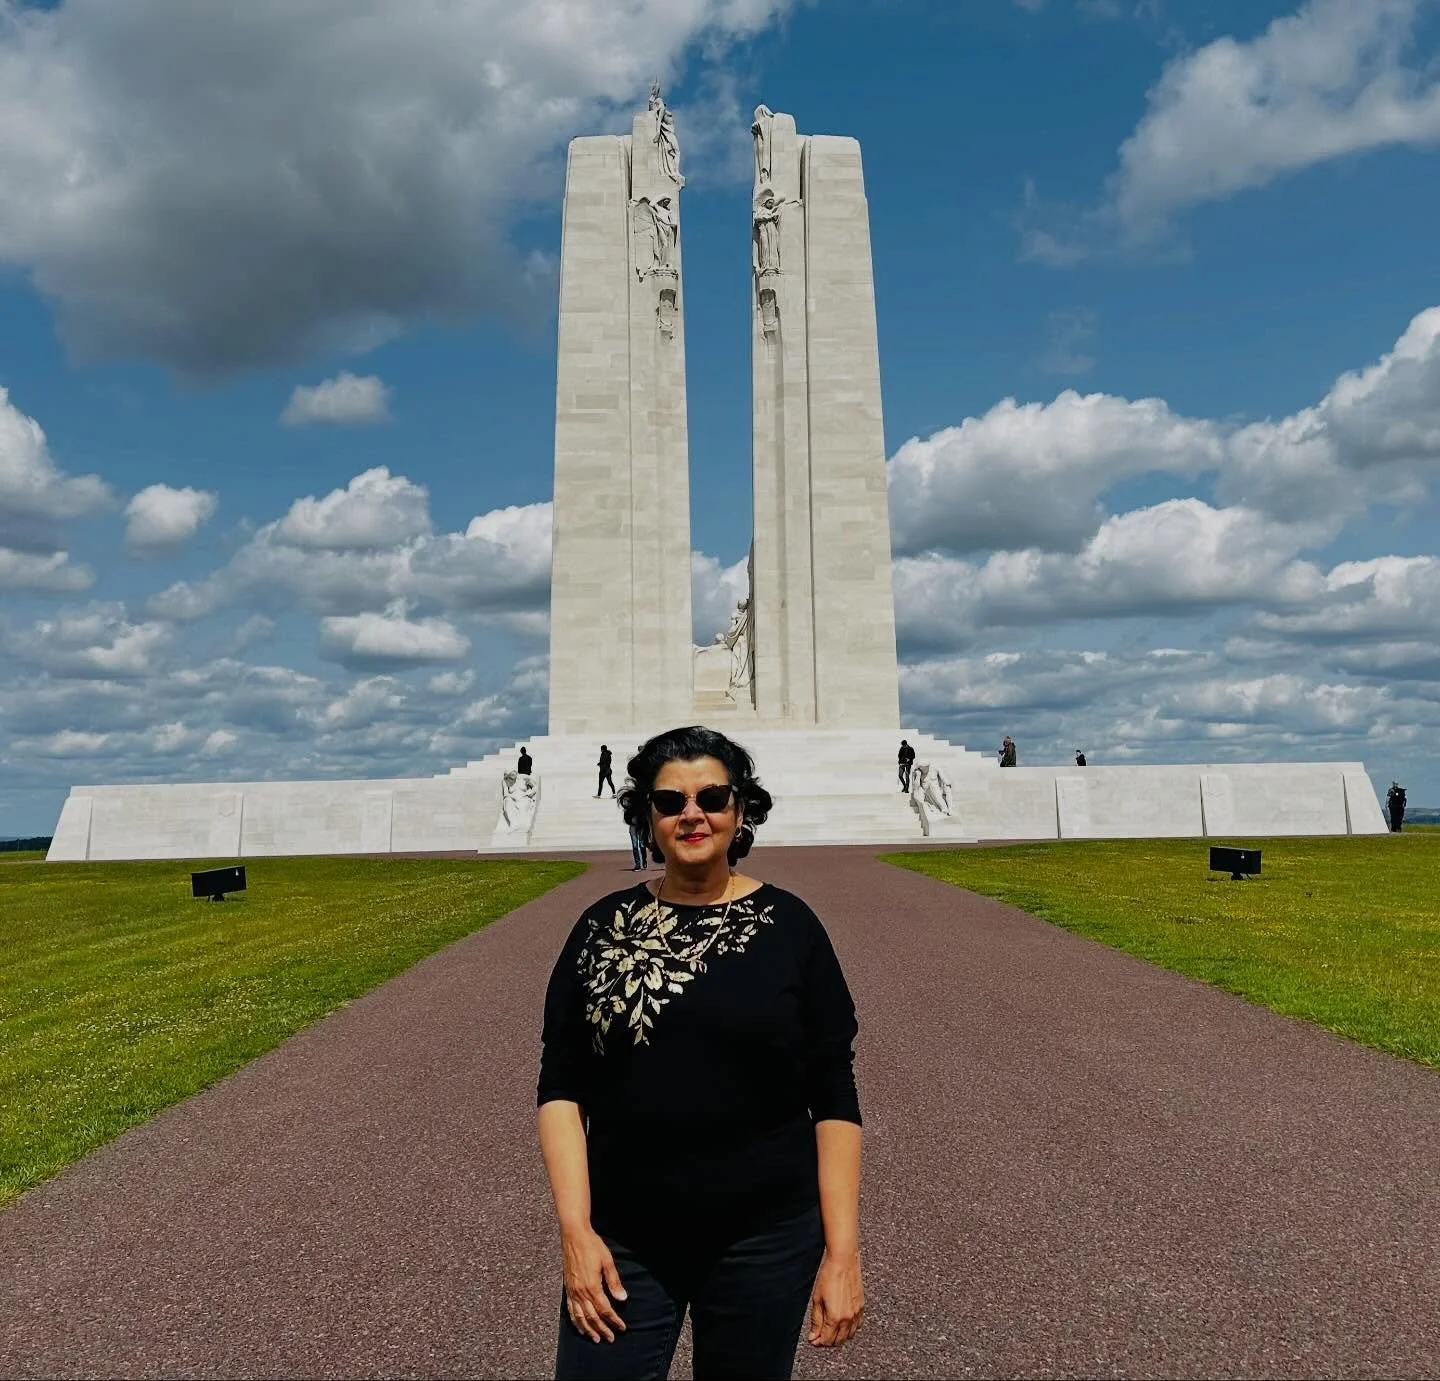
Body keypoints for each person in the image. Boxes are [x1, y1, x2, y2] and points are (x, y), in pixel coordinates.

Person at [537, 725, 864, 1380]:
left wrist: (843, 1251)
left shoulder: (792, 926)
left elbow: (832, 1091)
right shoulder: (601, 927)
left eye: (712, 797)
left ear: (741, 811)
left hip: (765, 1237)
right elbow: (561, 1086)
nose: (692, 814)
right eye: (670, 801)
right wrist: (575, 1231)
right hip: (624, 1236)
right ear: (647, 816)